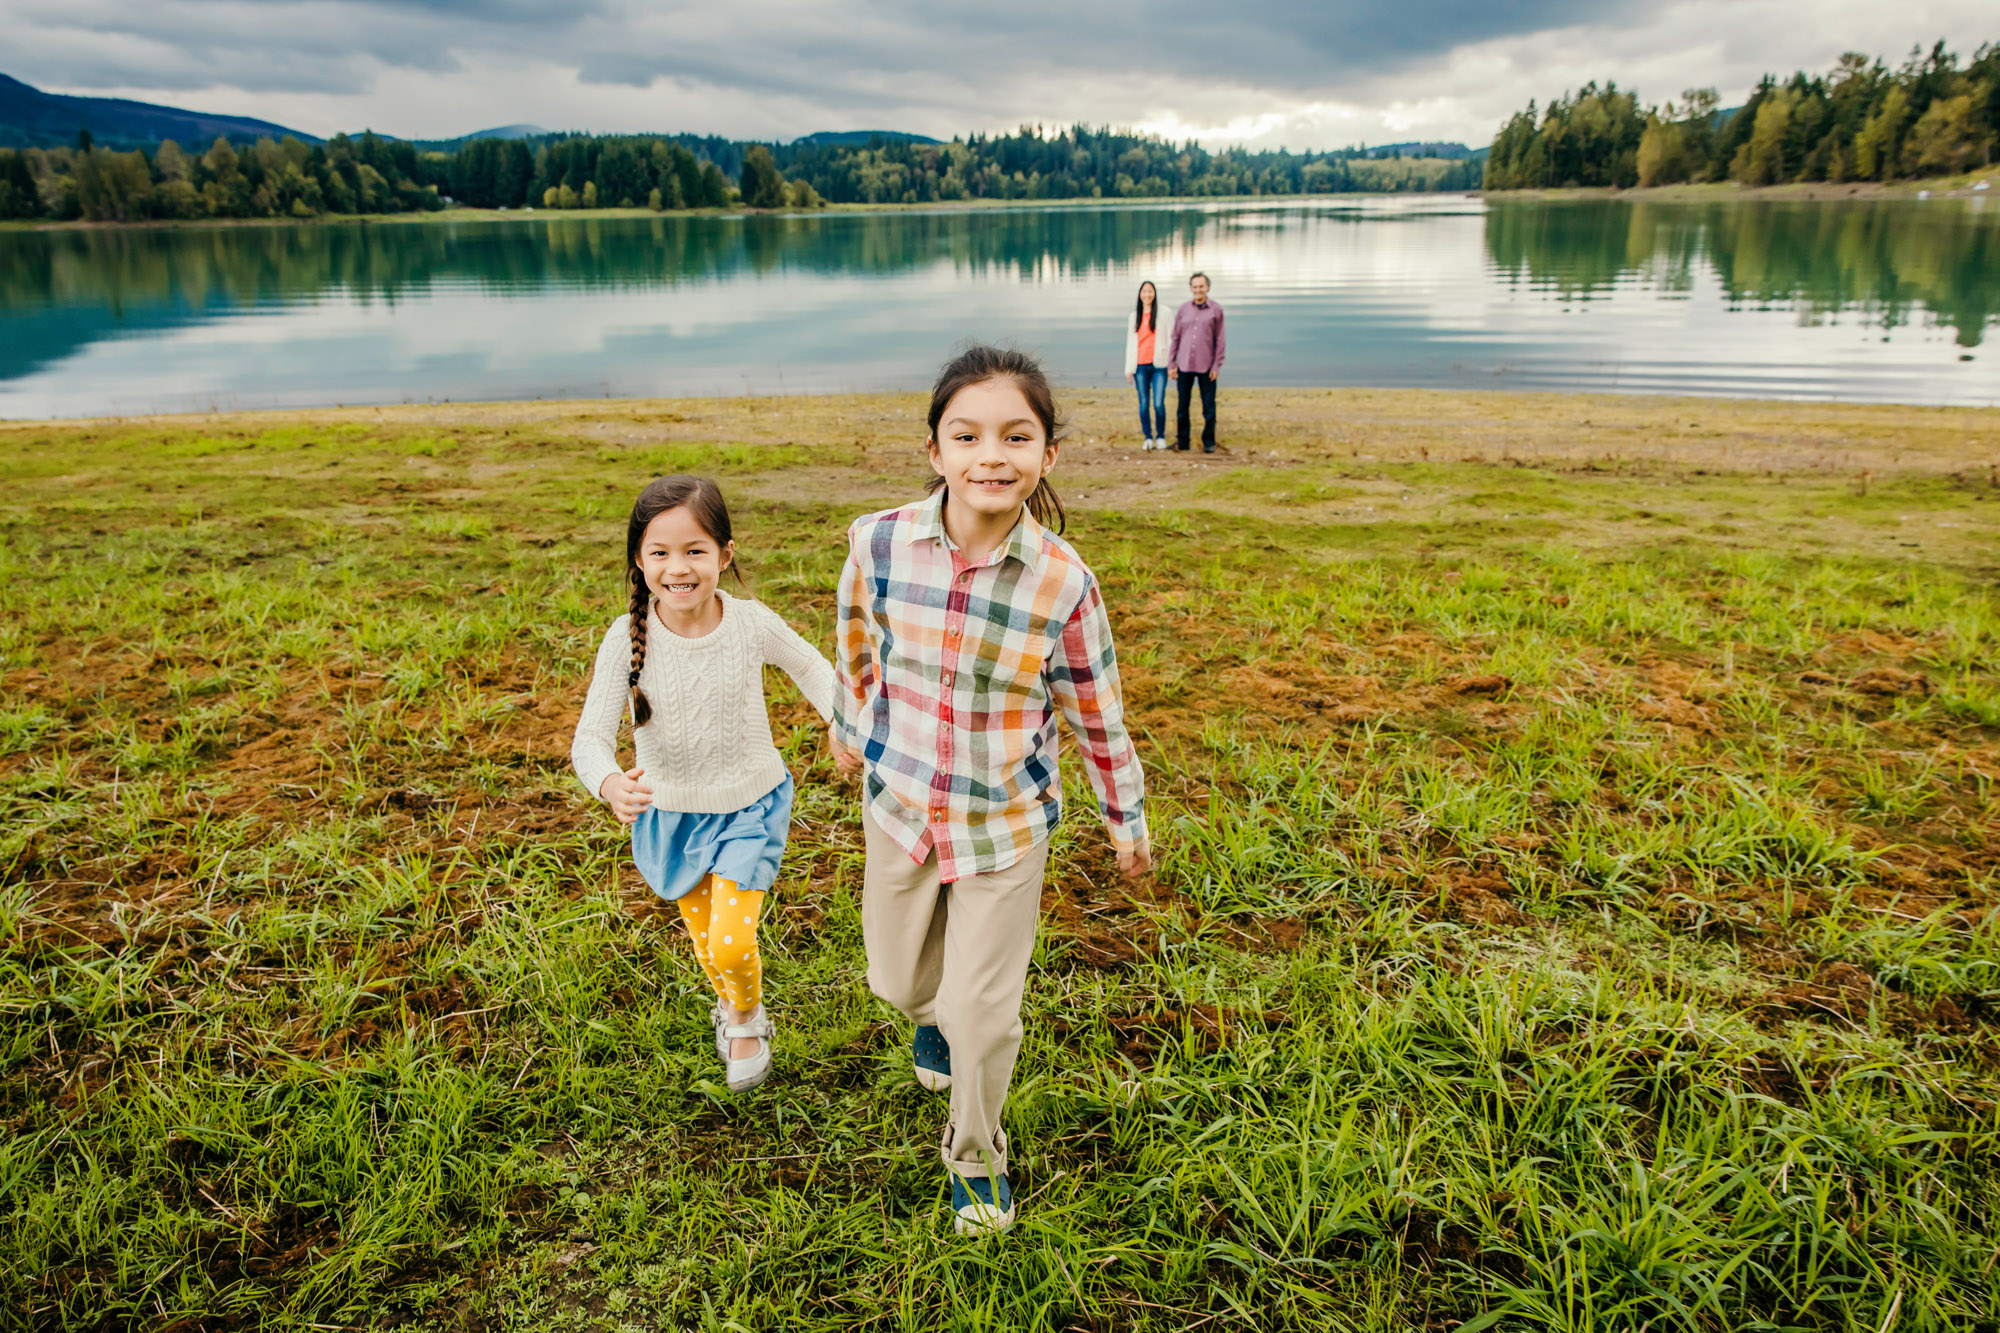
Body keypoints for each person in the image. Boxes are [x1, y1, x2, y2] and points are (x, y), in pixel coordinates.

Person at [829, 346, 1151, 1237]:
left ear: (1049, 455)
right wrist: (851, 727)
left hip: (1005, 823)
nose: (991, 455)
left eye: (1017, 435)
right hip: (899, 805)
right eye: (967, 435)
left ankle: (976, 1155)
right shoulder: (878, 540)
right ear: (935, 450)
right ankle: (930, 1020)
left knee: (984, 1017)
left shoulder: (1063, 583)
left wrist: (1125, 818)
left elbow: (1096, 714)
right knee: (896, 981)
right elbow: (859, 644)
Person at [571, 475, 835, 1094]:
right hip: (672, 818)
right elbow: (588, 739)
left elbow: (813, 667)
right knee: (708, 945)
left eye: (694, 550)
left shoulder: (749, 624)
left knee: (731, 939)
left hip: (750, 804)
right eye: (659, 553)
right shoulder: (624, 639)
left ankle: (746, 1020)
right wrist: (609, 783)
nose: (678, 567)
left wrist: (836, 719)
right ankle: (734, 1008)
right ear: (640, 561)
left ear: (725, 554)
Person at [1167, 271, 1225, 453]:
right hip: (1184, 364)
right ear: (1191, 289)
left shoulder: (1216, 310)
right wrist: (1171, 363)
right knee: (1182, 406)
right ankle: (1183, 441)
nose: (1198, 290)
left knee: (1208, 407)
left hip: (1206, 366)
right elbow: (1175, 336)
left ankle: (1208, 441)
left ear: (1207, 287)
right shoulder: (1183, 309)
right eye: (1195, 286)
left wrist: (1217, 365)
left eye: (1201, 286)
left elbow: (1220, 339)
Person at [1122, 279, 1170, 449]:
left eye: (1150, 291)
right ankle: (1148, 437)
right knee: (1143, 404)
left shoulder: (1164, 313)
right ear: (1140, 294)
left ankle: (1161, 436)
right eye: (1144, 291)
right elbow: (1131, 343)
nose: (1147, 294)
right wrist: (1129, 369)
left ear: (1154, 293)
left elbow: (1171, 338)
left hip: (1159, 365)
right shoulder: (1134, 316)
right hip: (1140, 366)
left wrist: (1172, 364)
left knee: (1158, 403)